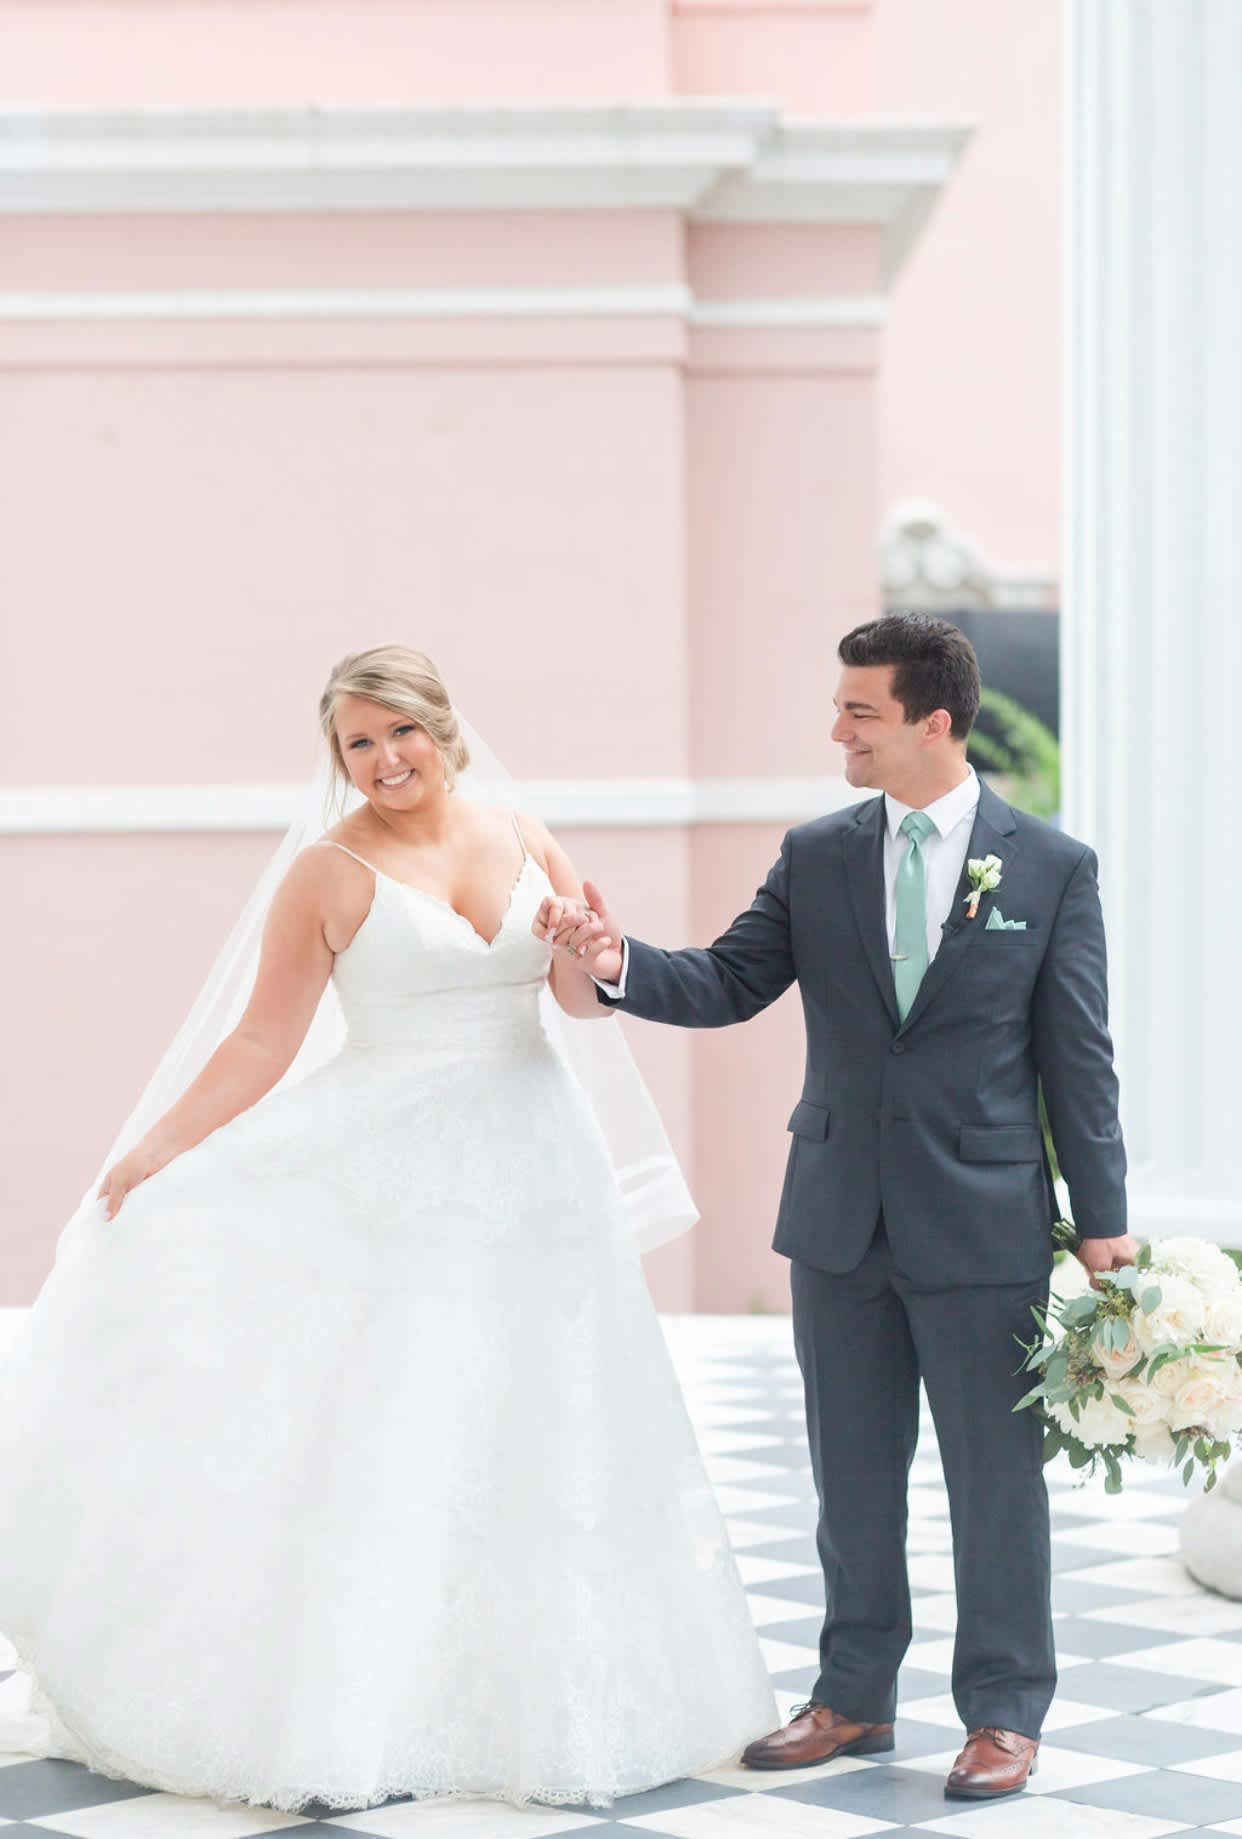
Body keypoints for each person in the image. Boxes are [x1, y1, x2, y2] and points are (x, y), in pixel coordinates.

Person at [0, 645, 777, 1815]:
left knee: (545, 1413)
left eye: (399, 732)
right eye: (357, 744)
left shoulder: (524, 835)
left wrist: (586, 950)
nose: (382, 759)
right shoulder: (328, 871)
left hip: (536, 1160)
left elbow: (577, 1004)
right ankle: (361, 1707)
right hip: (393, 1173)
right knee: (402, 1421)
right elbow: (262, 1040)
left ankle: (539, 1704)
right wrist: (157, 1150)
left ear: (442, 729)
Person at [540, 612, 1136, 1804]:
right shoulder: (815, 854)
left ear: (934, 722)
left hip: (984, 1222)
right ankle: (853, 1696)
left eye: (860, 713)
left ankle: (1004, 1712)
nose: (838, 733)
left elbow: (1079, 1056)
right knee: (851, 1479)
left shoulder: (1050, 867)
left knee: (995, 1483)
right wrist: (613, 961)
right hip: (838, 1219)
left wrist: (1103, 1217)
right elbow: (727, 980)